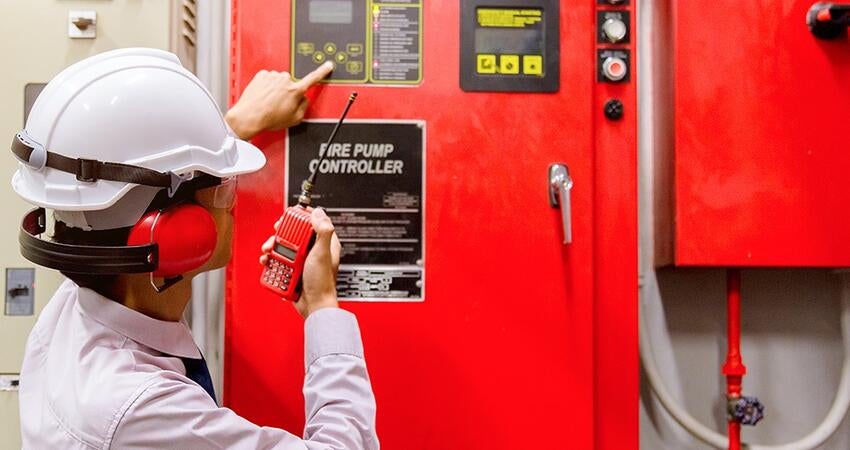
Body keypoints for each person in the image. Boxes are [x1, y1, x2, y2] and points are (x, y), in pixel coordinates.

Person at [12, 48, 378, 449]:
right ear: (175, 231)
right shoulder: (143, 411)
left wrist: (235, 126)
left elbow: (127, 184)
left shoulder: (70, 309)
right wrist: (323, 306)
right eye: (225, 187)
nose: (234, 201)